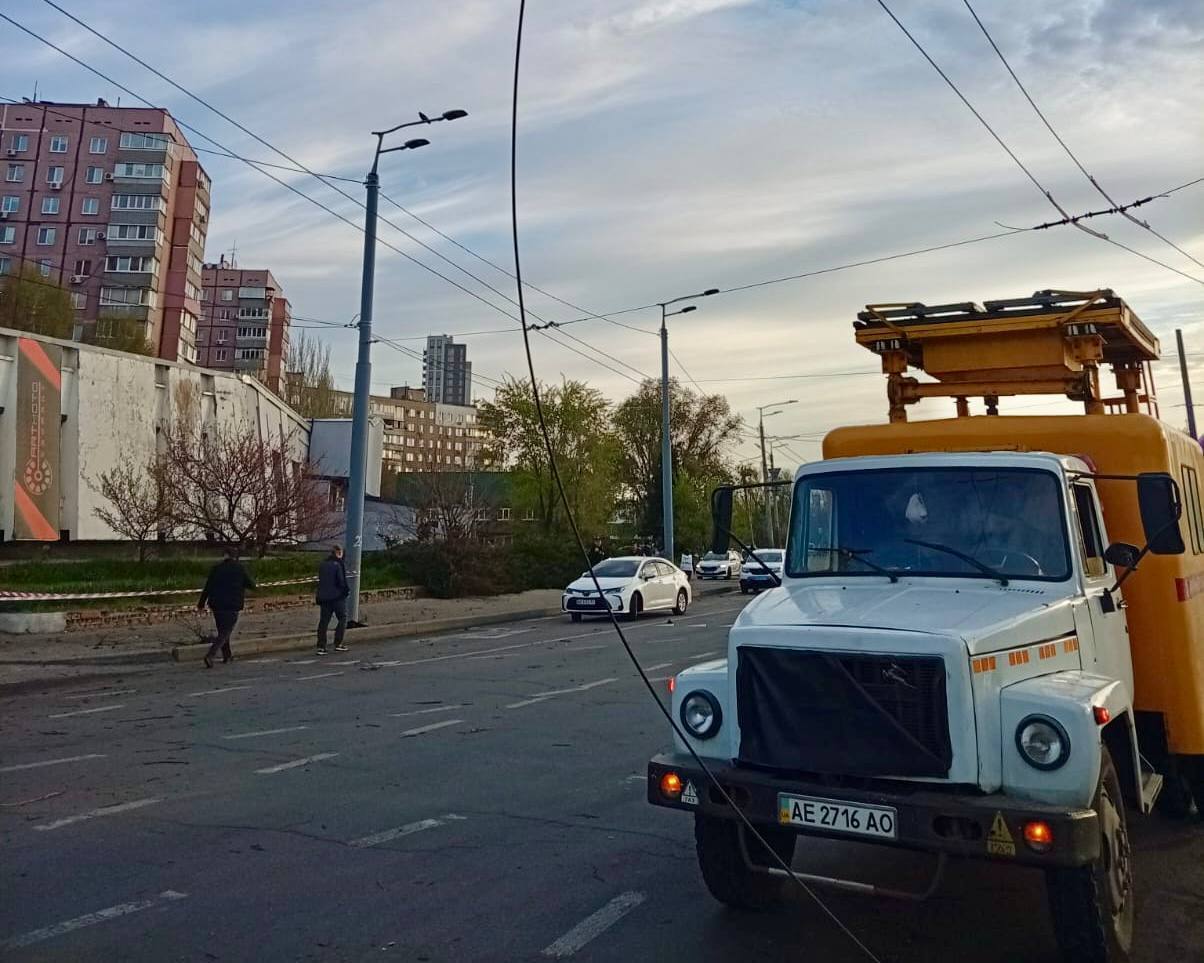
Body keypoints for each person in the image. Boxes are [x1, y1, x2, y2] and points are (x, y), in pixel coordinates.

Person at [197, 547, 256, 669]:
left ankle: (227, 656)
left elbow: (208, 587)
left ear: (224, 555)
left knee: (222, 630)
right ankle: (210, 655)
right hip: (232, 605)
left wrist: (201, 604)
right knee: (225, 632)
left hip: (217, 604)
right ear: (234, 556)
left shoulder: (216, 569)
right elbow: (251, 585)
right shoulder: (239, 568)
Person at [316, 544, 350, 656]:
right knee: (342, 618)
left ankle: (321, 646)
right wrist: (345, 591)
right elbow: (341, 581)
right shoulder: (339, 564)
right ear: (339, 553)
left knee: (324, 621)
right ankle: (338, 643)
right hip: (337, 597)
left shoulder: (323, 564)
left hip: (323, 597)